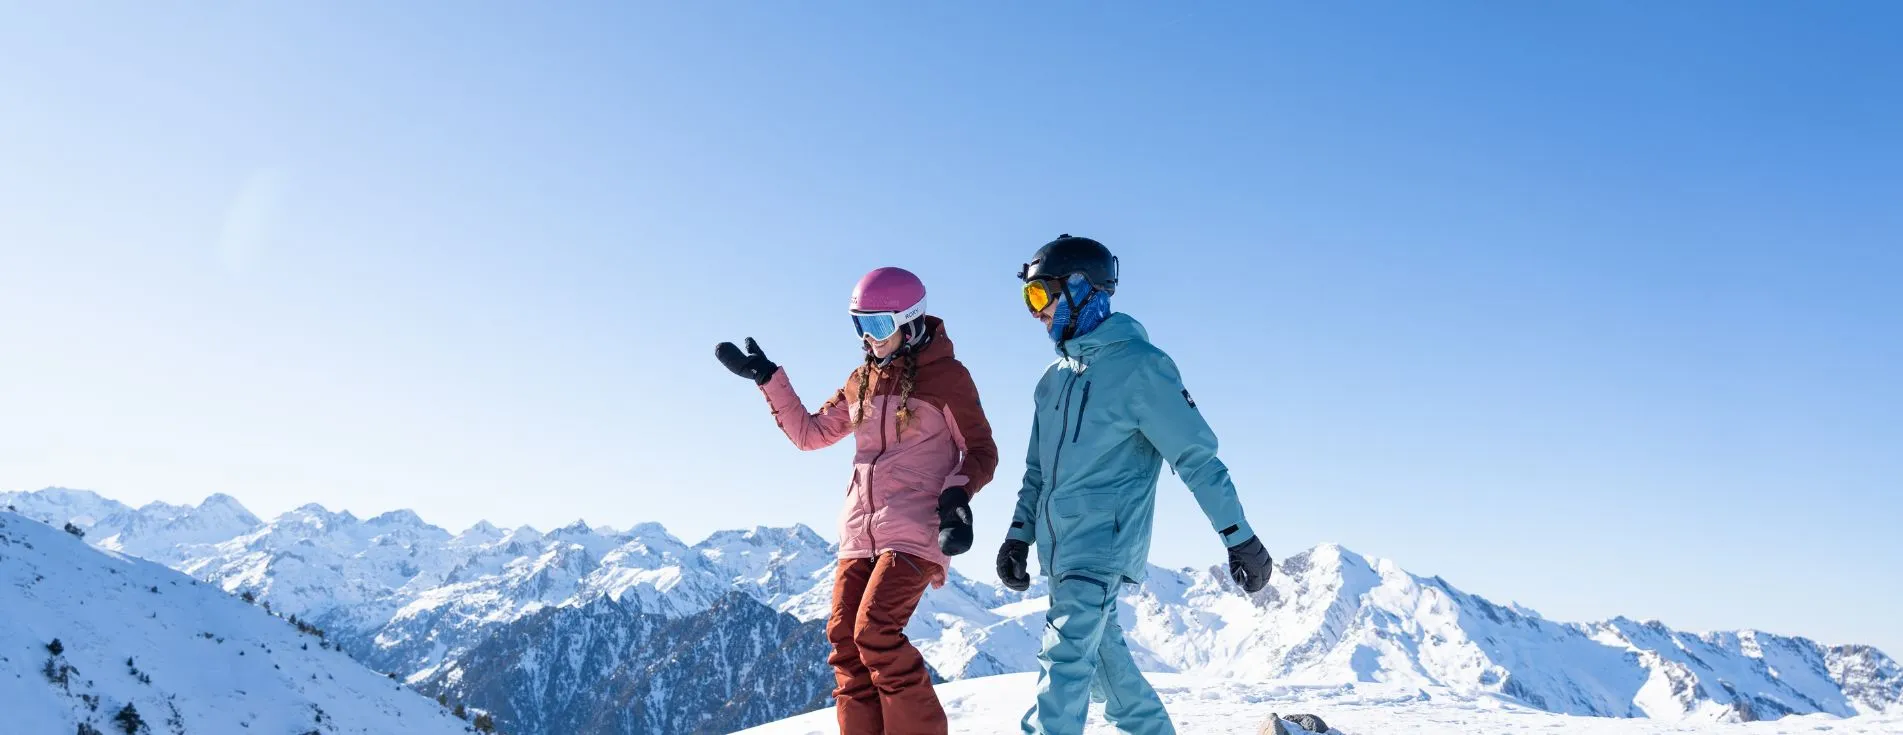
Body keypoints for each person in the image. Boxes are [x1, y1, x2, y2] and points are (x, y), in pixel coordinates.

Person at [996, 235, 1275, 735]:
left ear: (1083, 289)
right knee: (1107, 669)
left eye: (1041, 295)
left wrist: (1240, 538)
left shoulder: (1143, 367)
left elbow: (1197, 458)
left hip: (1102, 546)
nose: (1035, 312)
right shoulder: (1052, 380)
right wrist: (1019, 535)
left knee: (1063, 664)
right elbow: (1037, 471)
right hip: (1059, 552)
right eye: (1028, 299)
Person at [716, 266, 998, 735]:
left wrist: (957, 496)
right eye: (859, 325)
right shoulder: (861, 381)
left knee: (876, 633)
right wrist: (767, 378)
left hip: (915, 528)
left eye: (878, 326)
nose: (868, 338)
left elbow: (981, 450)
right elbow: (809, 434)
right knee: (846, 646)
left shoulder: (948, 379)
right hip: (859, 533)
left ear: (909, 323)